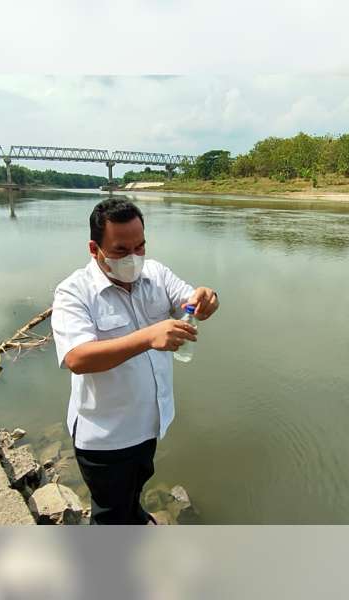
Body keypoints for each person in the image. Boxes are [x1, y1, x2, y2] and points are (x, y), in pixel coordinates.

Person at [51, 198, 219, 525]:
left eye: (140, 246)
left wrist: (206, 298)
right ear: (94, 248)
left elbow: (188, 299)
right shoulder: (73, 292)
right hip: (106, 439)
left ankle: (137, 518)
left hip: (149, 425)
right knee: (110, 515)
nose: (134, 257)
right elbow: (77, 358)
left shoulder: (155, 273)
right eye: (120, 250)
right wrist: (148, 337)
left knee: (134, 490)